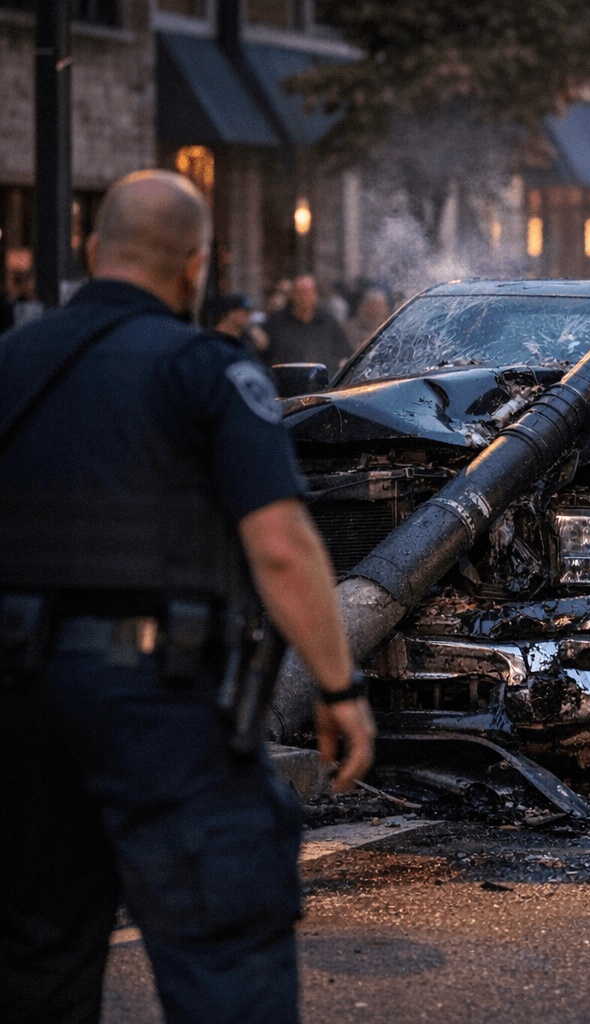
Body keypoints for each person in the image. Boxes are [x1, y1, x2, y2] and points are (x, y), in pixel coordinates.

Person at [0, 170, 376, 1023]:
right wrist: (338, 688)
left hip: (19, 703)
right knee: (223, 960)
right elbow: (280, 546)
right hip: (159, 704)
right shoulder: (207, 370)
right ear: (196, 266)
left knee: (34, 964)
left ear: (91, 250)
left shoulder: (12, 362)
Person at [263, 273, 354, 375]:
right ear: (292, 295)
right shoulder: (276, 323)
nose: (305, 297)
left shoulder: (328, 322)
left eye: (309, 292)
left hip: (325, 381)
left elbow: (345, 352)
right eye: (301, 292)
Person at [201, 290, 270, 361]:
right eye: (245, 311)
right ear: (229, 313)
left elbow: (263, 345)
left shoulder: (245, 339)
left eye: (249, 311)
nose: (248, 314)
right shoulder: (210, 341)